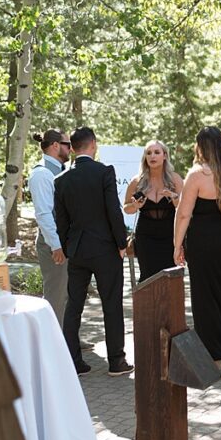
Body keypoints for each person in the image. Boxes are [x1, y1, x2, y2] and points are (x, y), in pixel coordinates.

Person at [53, 127, 133, 377]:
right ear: (93, 145)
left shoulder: (61, 179)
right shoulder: (104, 172)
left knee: (73, 305)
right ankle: (116, 361)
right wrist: (122, 243)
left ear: (73, 148)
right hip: (105, 249)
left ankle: (74, 362)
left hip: (78, 250)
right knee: (111, 303)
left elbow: (61, 220)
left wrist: (68, 248)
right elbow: (113, 210)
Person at [174, 127, 221, 367]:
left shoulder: (198, 174)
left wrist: (177, 245)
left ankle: (215, 355)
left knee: (205, 294)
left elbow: (184, 214)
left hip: (204, 239)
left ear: (201, 146)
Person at [27, 129, 71, 327]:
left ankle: (68, 338)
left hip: (66, 242)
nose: (71, 149)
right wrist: (56, 246)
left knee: (69, 293)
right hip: (54, 244)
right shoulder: (41, 174)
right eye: (68, 145)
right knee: (55, 295)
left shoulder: (63, 171)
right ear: (55, 146)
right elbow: (44, 214)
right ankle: (52, 341)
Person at [123, 140, 184, 282]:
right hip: (145, 237)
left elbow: (183, 209)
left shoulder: (175, 179)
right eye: (148, 153)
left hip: (170, 236)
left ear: (165, 156)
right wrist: (135, 206)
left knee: (170, 277)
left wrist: (174, 197)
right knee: (147, 276)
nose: (152, 156)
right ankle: (148, 305)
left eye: (157, 152)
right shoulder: (137, 181)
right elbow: (126, 208)